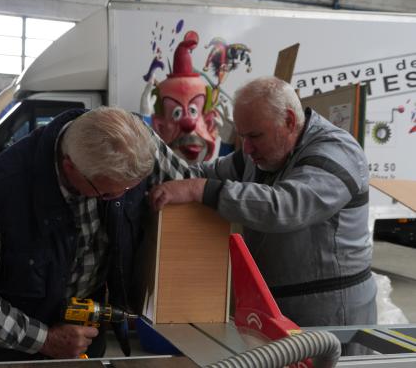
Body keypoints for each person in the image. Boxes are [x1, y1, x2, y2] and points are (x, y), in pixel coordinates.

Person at [0, 106, 197, 362]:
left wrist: (194, 189)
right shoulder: (6, 192)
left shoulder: (136, 144)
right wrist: (44, 339)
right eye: (106, 194)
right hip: (11, 349)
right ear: (70, 167)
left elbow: (196, 182)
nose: (120, 197)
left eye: (130, 188)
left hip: (86, 334)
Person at [150, 76, 377, 335]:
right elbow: (204, 173)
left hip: (333, 315)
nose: (247, 148)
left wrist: (199, 190)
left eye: (255, 136)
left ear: (289, 121)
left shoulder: (337, 151)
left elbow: (286, 206)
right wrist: (157, 173)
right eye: (243, 137)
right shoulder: (257, 156)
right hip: (276, 309)